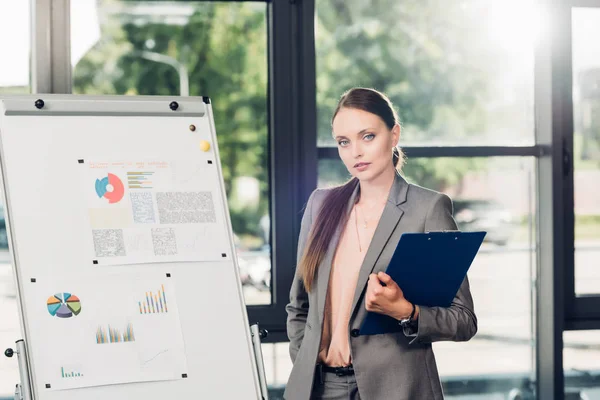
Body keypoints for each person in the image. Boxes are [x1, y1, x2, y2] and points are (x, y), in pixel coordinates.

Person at [284, 87, 477, 400]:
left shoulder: (428, 209)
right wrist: (304, 361)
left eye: (368, 136)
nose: (355, 152)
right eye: (344, 142)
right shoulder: (320, 206)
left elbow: (464, 320)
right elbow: (299, 305)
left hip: (395, 389)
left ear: (394, 135)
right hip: (321, 389)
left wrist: (406, 311)